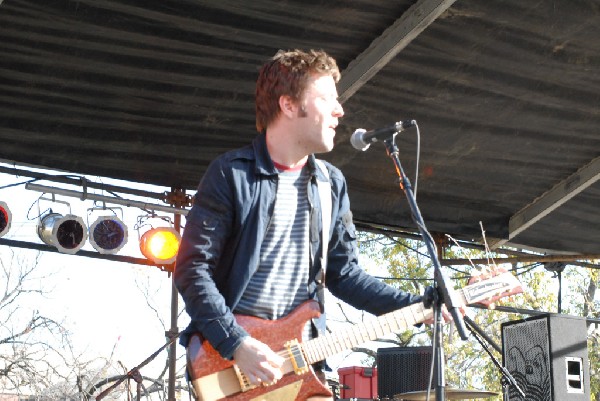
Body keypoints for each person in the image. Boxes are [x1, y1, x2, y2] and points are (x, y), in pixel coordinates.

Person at [174, 49, 443, 401]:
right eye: (326, 99)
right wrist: (237, 343)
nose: (339, 110)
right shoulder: (231, 175)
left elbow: (345, 274)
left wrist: (417, 306)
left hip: (302, 365)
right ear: (288, 105)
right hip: (230, 364)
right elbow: (192, 270)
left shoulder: (331, 184)